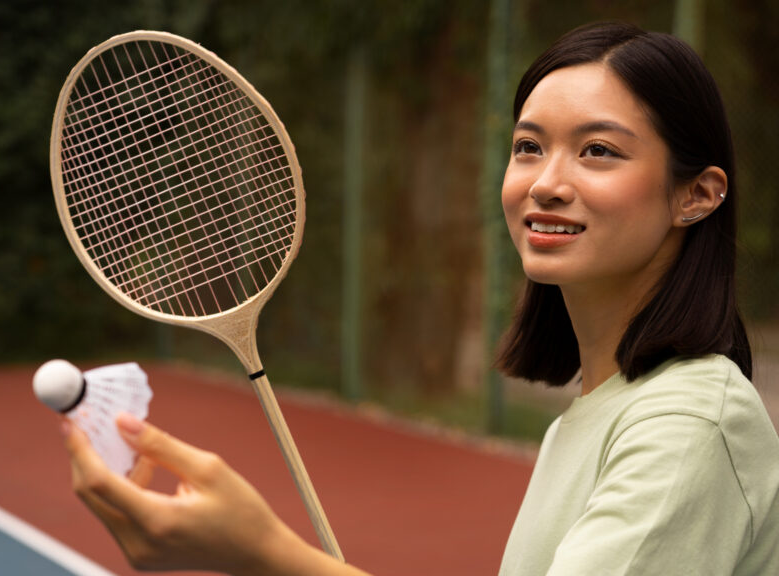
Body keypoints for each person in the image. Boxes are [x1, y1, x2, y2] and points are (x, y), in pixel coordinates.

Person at [59, 21, 779, 575]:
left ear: (697, 194)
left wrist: (263, 554)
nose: (545, 182)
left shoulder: (689, 426)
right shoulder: (596, 414)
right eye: (529, 146)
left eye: (598, 151)